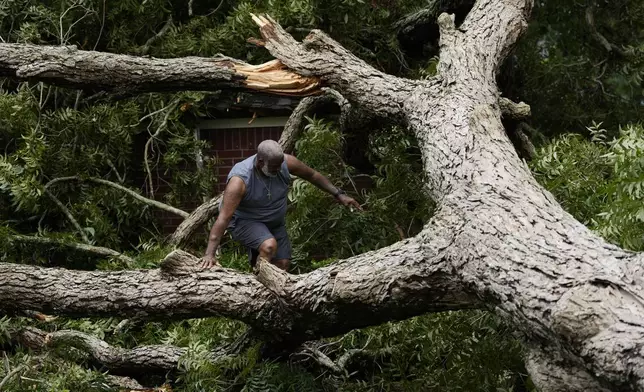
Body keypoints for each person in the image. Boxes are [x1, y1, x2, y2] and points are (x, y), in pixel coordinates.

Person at [200, 139, 361, 271]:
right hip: (244, 221)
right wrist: (209, 254)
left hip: (275, 222)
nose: (278, 169)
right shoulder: (240, 180)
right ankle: (256, 283)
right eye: (273, 167)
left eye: (280, 165)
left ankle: (269, 297)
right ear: (260, 161)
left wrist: (338, 194)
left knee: (283, 265)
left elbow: (312, 175)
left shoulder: (286, 162)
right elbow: (223, 218)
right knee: (269, 246)